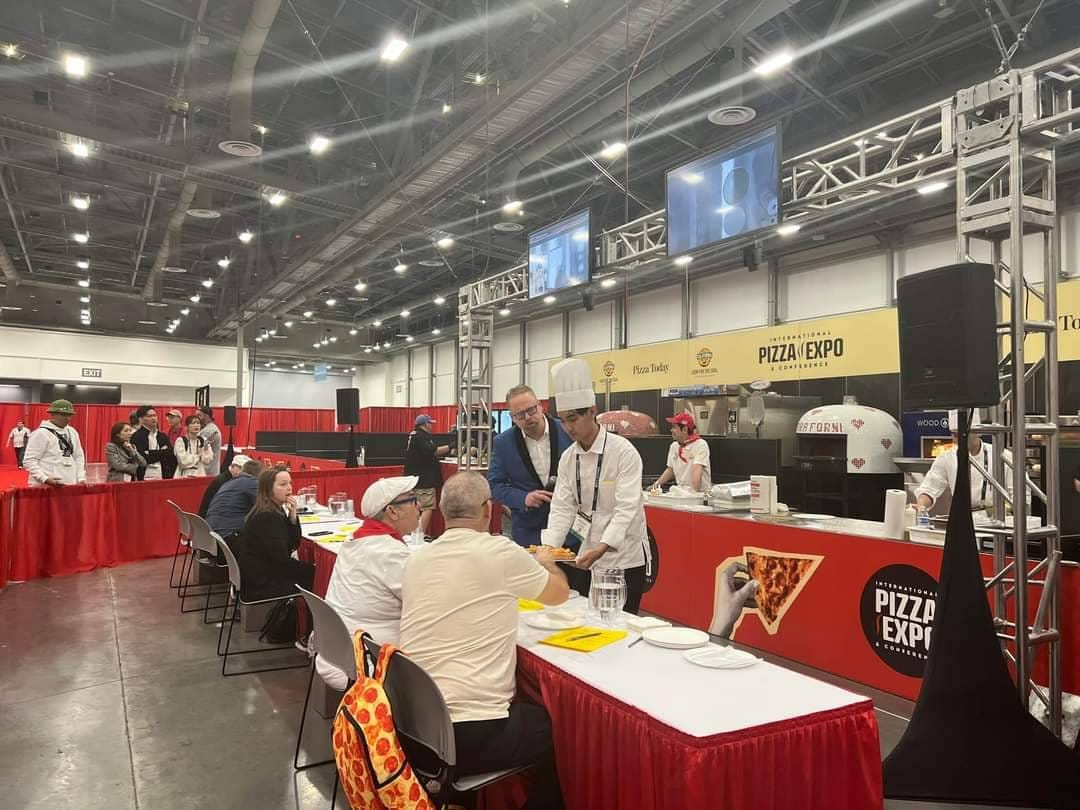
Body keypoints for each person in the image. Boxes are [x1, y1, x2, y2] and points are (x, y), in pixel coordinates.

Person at [399, 472, 569, 810]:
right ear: (488, 510)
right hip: (467, 734)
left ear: (442, 511)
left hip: (411, 727)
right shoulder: (500, 552)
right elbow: (559, 594)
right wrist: (548, 563)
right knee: (557, 731)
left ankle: (457, 800)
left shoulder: (416, 559)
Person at [542, 358, 651, 614]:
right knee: (587, 619)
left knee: (620, 625)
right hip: (588, 556)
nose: (568, 428)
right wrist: (549, 548)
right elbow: (562, 508)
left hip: (625, 557)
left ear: (592, 410)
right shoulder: (569, 458)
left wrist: (603, 547)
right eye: (563, 421)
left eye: (573, 419)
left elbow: (626, 509)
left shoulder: (623, 452)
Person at [316, 475, 421, 691]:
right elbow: (424, 603)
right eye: (413, 500)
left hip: (335, 651)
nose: (420, 507)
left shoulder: (354, 543)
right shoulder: (390, 553)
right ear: (392, 511)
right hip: (365, 661)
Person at [488, 384, 572, 546]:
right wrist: (523, 498)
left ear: (540, 406)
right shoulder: (503, 443)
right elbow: (494, 485)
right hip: (529, 532)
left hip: (571, 529)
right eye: (520, 414)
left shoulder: (567, 431)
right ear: (512, 417)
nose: (527, 417)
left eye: (531, 410)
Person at [915, 410, 1014, 517]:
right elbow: (929, 488)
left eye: (963, 434)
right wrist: (921, 506)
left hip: (996, 519)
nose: (958, 440)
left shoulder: (1002, 455)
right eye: (954, 435)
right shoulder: (946, 458)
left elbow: (1019, 495)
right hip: (961, 517)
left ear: (978, 433)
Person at [239, 468, 314, 601]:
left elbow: (293, 545)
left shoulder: (273, 509)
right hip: (262, 582)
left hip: (263, 574)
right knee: (316, 576)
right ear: (269, 489)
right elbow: (282, 562)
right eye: (283, 484)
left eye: (289, 483)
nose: (289, 488)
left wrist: (292, 518)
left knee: (310, 572)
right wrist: (314, 571)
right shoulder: (268, 517)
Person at [403, 413, 451, 535]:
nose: (431, 426)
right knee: (427, 507)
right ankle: (419, 535)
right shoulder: (422, 437)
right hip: (424, 479)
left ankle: (412, 533)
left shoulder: (414, 435)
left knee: (415, 506)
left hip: (414, 478)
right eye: (430, 423)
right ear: (425, 424)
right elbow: (432, 451)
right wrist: (451, 447)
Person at [22, 399, 87, 487]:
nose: (67, 418)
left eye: (69, 415)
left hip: (70, 484)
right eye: (63, 414)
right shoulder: (41, 433)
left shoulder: (72, 432)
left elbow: (78, 456)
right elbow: (29, 460)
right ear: (53, 414)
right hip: (45, 487)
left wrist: (81, 477)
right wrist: (44, 479)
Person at [651, 412, 712, 493]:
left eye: (674, 427)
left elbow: (697, 469)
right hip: (681, 492)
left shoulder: (700, 444)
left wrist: (694, 493)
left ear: (684, 429)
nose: (671, 430)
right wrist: (655, 485)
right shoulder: (674, 446)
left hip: (700, 494)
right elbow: (670, 470)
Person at [206, 458, 262, 539]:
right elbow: (265, 508)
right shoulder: (253, 483)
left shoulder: (228, 483)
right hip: (228, 535)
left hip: (209, 533)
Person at [199, 454, 253, 518]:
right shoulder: (223, 482)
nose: (243, 472)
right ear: (233, 466)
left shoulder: (229, 479)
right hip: (211, 517)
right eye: (241, 468)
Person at [131, 405, 173, 481]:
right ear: (141, 419)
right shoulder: (137, 436)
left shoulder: (162, 436)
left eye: (154, 415)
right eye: (149, 416)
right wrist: (162, 452)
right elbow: (143, 458)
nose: (153, 418)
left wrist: (150, 452)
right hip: (144, 475)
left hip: (162, 474)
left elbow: (169, 453)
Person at [197, 405, 222, 476]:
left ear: (207, 416)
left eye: (199, 415)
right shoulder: (206, 428)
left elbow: (196, 447)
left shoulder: (210, 430)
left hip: (208, 471)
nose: (196, 418)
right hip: (206, 470)